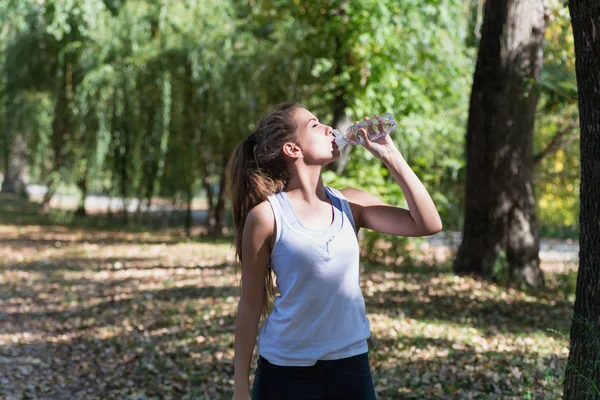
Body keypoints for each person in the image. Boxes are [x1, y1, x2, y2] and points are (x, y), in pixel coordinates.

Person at [227, 102, 442, 400]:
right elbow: (250, 305)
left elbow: (428, 224)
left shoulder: (352, 204)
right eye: (315, 125)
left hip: (351, 366)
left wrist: (391, 156)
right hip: (285, 371)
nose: (330, 129)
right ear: (292, 149)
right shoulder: (266, 217)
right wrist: (240, 385)